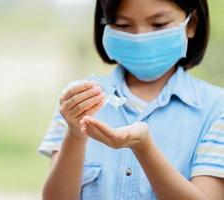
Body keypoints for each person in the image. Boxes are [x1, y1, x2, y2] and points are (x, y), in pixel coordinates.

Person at [38, 0, 224, 199]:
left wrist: (144, 149)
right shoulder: (77, 100)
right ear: (106, 25)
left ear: (192, 24)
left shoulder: (216, 108)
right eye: (123, 25)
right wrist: (75, 136)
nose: (140, 38)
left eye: (159, 24)